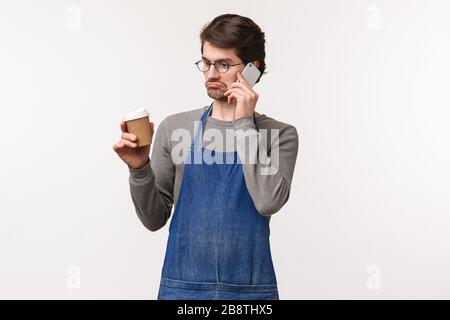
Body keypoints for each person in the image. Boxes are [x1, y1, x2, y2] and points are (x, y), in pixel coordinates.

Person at [113, 14, 299, 300]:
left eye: (223, 64)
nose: (211, 73)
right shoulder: (175, 127)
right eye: (206, 62)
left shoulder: (280, 134)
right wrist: (139, 168)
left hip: (250, 295)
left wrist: (244, 121)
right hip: (181, 291)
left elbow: (267, 201)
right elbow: (154, 219)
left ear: (252, 69)